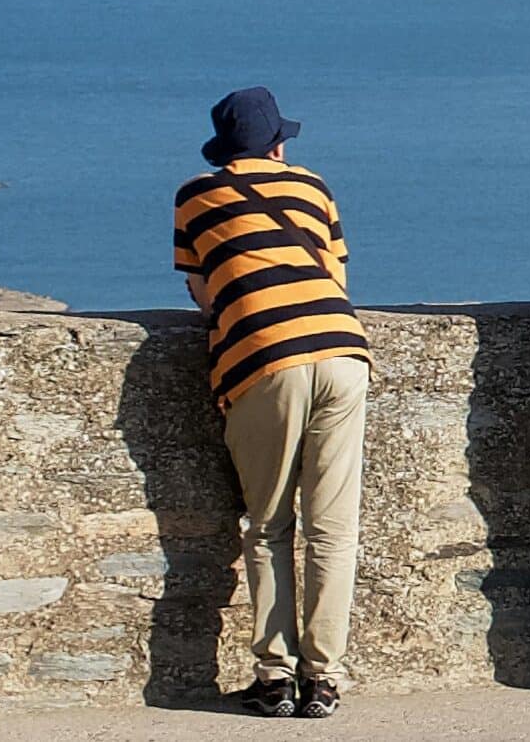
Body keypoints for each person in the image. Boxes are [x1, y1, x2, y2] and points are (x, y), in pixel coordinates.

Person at [174, 86, 372, 721]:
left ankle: (275, 675)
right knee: (333, 528)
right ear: (278, 145)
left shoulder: (196, 196)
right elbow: (335, 276)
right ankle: (326, 678)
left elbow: (205, 295)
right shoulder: (312, 188)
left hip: (263, 359)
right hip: (343, 352)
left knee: (268, 526)